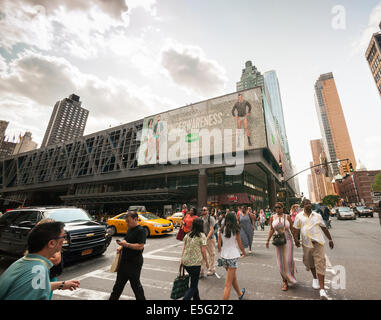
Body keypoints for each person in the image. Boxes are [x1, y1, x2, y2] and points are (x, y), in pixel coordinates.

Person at [0, 222, 70, 300]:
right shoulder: (38, 270)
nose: (64, 240)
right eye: (63, 236)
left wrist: (61, 284)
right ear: (51, 243)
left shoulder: (24, 262)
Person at [293, 199, 335, 300]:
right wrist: (296, 240)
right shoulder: (299, 216)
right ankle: (315, 278)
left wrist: (330, 239)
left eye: (309, 204)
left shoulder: (317, 216)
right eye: (306, 204)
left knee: (320, 263)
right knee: (310, 262)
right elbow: (296, 229)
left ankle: (322, 290)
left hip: (318, 243)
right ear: (303, 206)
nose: (308, 205)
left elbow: (324, 228)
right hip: (306, 244)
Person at [109, 211, 146, 300]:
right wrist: (121, 246)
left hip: (134, 263)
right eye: (126, 221)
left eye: (128, 221)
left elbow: (140, 246)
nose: (127, 223)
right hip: (124, 262)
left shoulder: (141, 230)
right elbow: (126, 240)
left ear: (135, 219)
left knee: (136, 287)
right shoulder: (129, 229)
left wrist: (126, 245)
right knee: (118, 286)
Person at [266, 202, 297, 291]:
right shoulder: (272, 217)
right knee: (280, 263)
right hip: (278, 241)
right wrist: (267, 240)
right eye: (275, 208)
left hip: (288, 240)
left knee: (288, 260)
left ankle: (290, 275)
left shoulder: (287, 217)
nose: (277, 209)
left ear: (283, 208)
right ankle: (284, 281)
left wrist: (296, 240)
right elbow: (271, 229)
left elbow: (292, 229)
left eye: (279, 207)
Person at [218, 212, 246, 300]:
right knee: (227, 285)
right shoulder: (235, 230)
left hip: (224, 256)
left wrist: (221, 250)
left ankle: (240, 294)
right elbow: (240, 243)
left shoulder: (221, 229)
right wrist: (243, 252)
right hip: (232, 256)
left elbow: (219, 245)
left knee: (233, 278)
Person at [180, 218, 209, 300]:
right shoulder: (202, 236)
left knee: (194, 283)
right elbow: (203, 251)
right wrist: (207, 263)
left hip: (186, 262)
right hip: (195, 264)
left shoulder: (188, 235)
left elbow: (184, 248)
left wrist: (181, 260)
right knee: (193, 286)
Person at [200, 207, 216, 277]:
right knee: (202, 255)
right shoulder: (201, 218)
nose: (203, 211)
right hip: (203, 238)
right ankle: (201, 270)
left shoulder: (211, 218)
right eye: (202, 210)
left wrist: (206, 238)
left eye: (204, 210)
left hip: (210, 239)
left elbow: (211, 230)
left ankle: (211, 269)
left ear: (208, 211)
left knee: (211, 254)